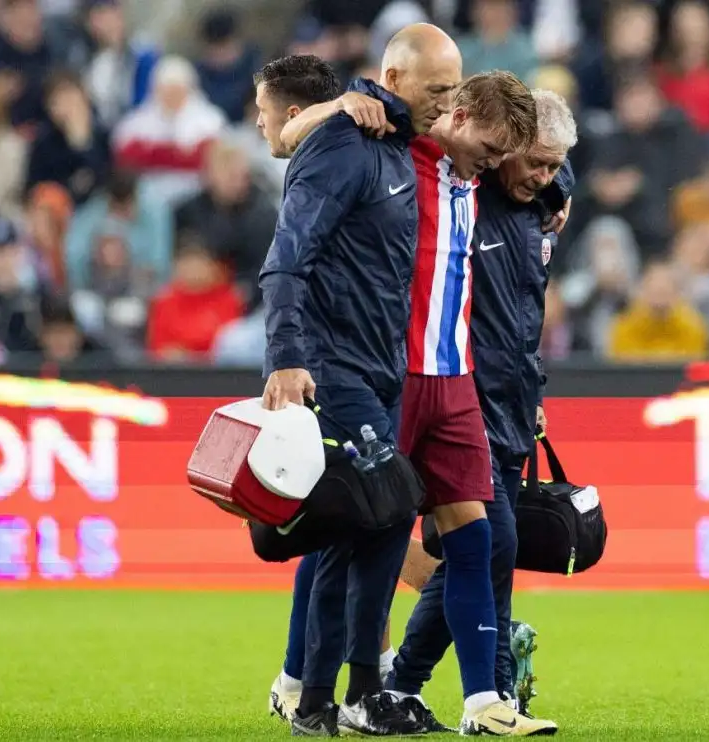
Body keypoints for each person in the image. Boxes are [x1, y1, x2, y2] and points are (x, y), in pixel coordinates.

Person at [277, 25, 556, 737]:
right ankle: (306, 682)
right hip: (386, 374)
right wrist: (339, 105)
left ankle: (478, 701)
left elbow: (537, 158)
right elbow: (287, 139)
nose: (499, 163)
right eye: (493, 148)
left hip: (454, 379)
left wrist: (558, 182)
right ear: (451, 115)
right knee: (353, 531)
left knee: (479, 538)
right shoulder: (410, 150)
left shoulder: (488, 177)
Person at [387, 90, 576, 720]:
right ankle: (479, 694)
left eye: (557, 167)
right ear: (502, 150)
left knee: (478, 545)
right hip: (454, 390)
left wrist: (534, 390)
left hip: (511, 398)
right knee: (487, 541)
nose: (546, 177)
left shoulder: (534, 208)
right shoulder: (471, 190)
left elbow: (524, 320)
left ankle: (403, 682)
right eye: (537, 163)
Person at [254, 53, 420, 736]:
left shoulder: (391, 142)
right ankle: (321, 696)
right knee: (368, 513)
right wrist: (287, 357)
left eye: (261, 112)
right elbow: (286, 258)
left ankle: (339, 692)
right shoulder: (338, 149)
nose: (258, 125)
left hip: (384, 365)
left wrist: (556, 188)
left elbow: (497, 121)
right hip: (332, 368)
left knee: (370, 528)